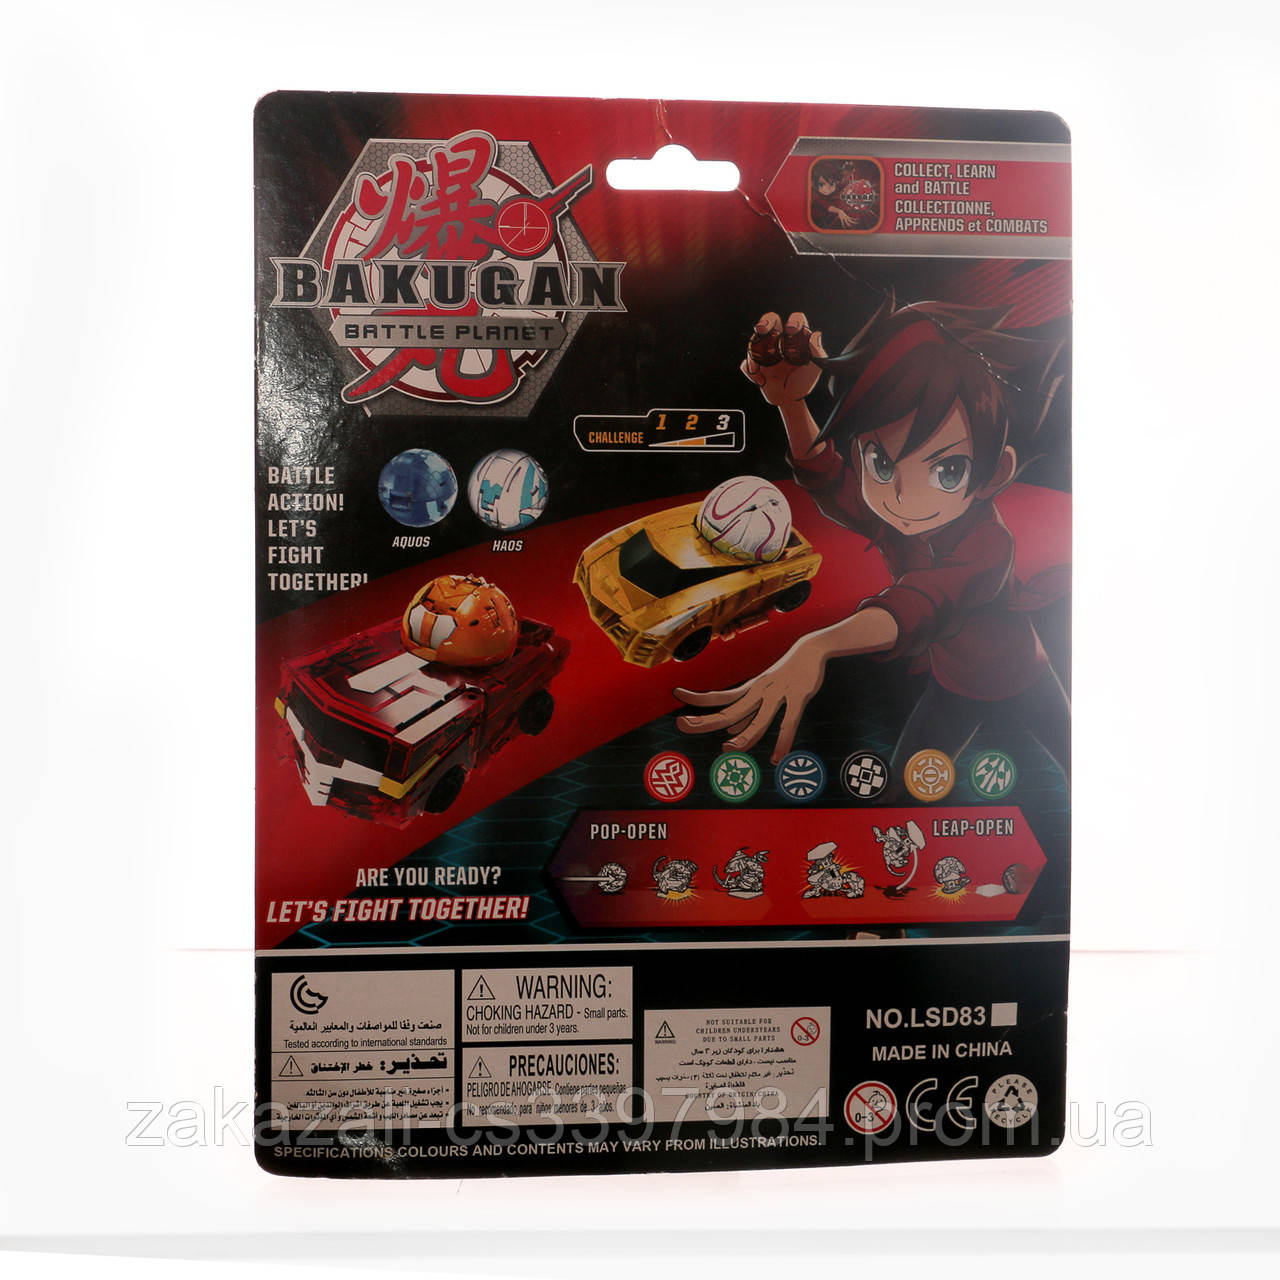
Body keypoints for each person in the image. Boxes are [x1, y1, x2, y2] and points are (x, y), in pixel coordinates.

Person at [675, 295, 1070, 786]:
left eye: (947, 471)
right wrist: (792, 404)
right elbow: (829, 479)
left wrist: (819, 645)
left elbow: (918, 604)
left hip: (1023, 678)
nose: (901, 496)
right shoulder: (896, 517)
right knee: (900, 796)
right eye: (880, 463)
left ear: (995, 475)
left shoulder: (989, 544)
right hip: (951, 686)